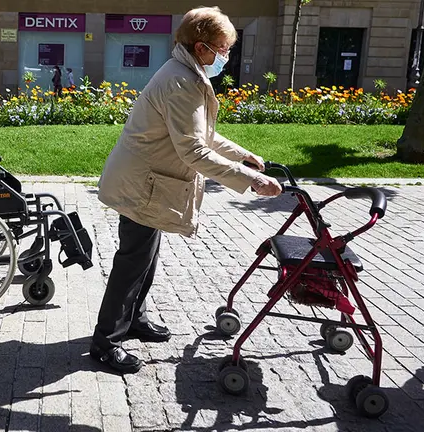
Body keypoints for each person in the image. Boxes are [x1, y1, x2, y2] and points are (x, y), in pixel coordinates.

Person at [91, 7, 283, 374]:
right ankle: (105, 342)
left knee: (144, 257)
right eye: (223, 49)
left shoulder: (186, 73)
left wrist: (245, 157)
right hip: (141, 183)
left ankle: (133, 319)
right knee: (132, 262)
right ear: (201, 47)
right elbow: (194, 151)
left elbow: (202, 135)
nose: (226, 57)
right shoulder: (183, 82)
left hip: (147, 181)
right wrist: (251, 180)